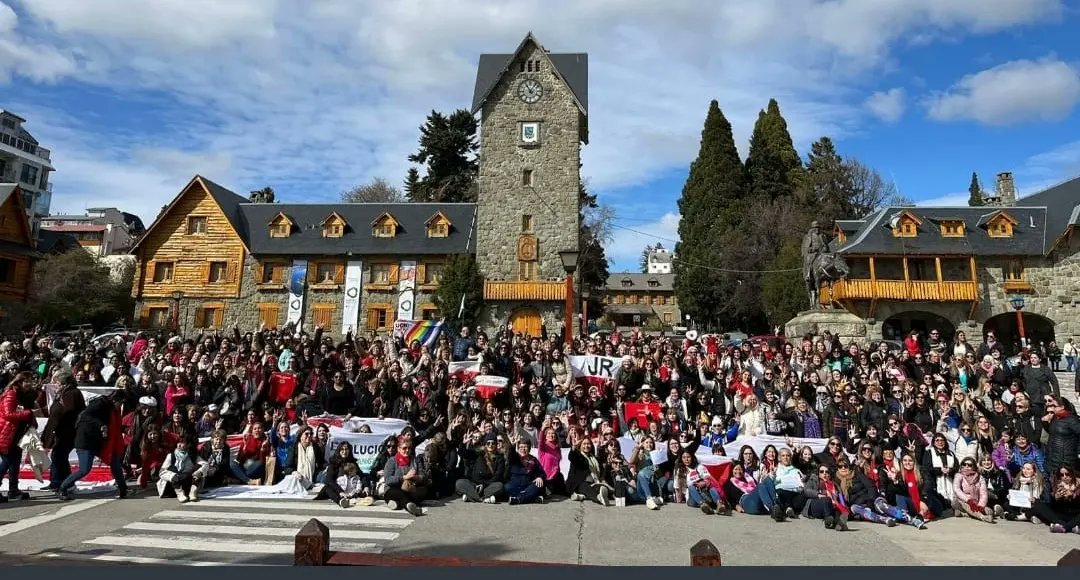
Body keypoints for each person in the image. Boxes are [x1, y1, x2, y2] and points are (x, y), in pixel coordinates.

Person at [59, 390, 128, 501]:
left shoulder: (111, 408)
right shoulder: (100, 403)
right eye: (121, 402)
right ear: (115, 400)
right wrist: (101, 425)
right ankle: (62, 488)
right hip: (86, 441)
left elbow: (113, 425)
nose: (121, 405)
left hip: (100, 441)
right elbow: (85, 416)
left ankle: (123, 489)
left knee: (115, 462)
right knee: (84, 469)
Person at [41, 371, 86, 494]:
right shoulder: (63, 393)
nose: (56, 385)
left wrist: (59, 418)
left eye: (58, 383)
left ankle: (65, 482)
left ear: (64, 383)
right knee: (58, 456)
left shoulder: (72, 393)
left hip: (68, 430)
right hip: (61, 430)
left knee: (59, 455)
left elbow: (69, 410)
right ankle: (56, 482)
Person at [0, 372, 42, 502]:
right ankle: (12, 489)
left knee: (15, 462)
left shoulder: (23, 395)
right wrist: (28, 413)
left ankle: (14, 490)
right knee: (7, 462)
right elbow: (8, 413)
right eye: (26, 381)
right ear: (19, 382)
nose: (29, 383)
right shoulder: (11, 394)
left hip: (17, 433)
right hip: (7, 432)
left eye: (31, 381)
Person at [456, 432, 506, 503]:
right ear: (485, 444)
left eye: (493, 443)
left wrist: (484, 485)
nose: (490, 445)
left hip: (488, 485)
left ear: (496, 445)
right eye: (488, 443)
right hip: (474, 485)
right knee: (459, 483)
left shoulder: (499, 458)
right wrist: (463, 444)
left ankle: (471, 497)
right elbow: (463, 453)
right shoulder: (478, 453)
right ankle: (483, 498)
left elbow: (498, 475)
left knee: (500, 486)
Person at [382, 436, 426, 516]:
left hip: (410, 488)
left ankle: (396, 503)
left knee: (422, 491)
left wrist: (416, 477)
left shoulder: (415, 460)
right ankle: (408, 505)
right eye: (404, 448)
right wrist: (404, 478)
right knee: (399, 494)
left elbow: (423, 475)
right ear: (398, 449)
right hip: (394, 489)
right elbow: (388, 480)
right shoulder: (392, 461)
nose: (407, 450)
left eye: (409, 448)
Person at [157, 438, 207, 503]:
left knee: (198, 467)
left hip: (187, 481)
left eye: (182, 443)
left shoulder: (192, 455)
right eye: (178, 443)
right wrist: (172, 476)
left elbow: (205, 464)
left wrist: (199, 472)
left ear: (187, 445)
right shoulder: (171, 456)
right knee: (172, 468)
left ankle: (192, 492)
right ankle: (179, 493)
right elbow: (161, 472)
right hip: (174, 483)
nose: (179, 445)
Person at [951, 457, 996, 523]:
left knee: (989, 511)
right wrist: (968, 500)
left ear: (974, 467)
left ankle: (964, 514)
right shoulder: (959, 475)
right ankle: (983, 517)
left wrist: (981, 505)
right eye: (964, 464)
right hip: (963, 501)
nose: (966, 466)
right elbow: (956, 489)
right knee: (956, 503)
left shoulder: (980, 478)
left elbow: (983, 493)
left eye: (969, 465)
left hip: (976, 502)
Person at [505, 438, 546, 505]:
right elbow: (511, 454)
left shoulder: (533, 460)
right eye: (521, 447)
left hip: (528, 486)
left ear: (529, 448)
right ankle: (531, 498)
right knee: (507, 487)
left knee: (538, 486)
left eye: (525, 447)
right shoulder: (514, 458)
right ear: (518, 448)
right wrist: (512, 446)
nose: (523, 449)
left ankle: (518, 499)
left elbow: (542, 473)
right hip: (515, 485)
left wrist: (540, 477)